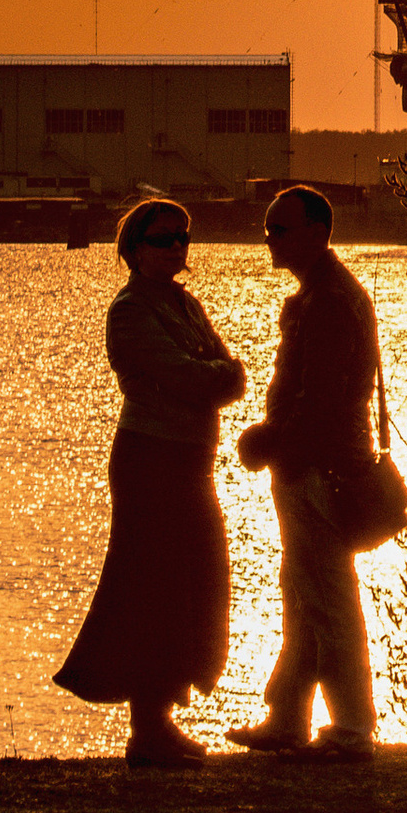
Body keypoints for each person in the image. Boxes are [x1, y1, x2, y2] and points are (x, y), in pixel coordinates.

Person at [53, 196, 246, 767]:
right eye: (163, 239)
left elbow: (227, 374)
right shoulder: (131, 309)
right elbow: (193, 375)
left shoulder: (184, 304)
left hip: (192, 460)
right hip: (150, 459)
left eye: (182, 238)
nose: (176, 248)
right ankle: (149, 726)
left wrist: (218, 375)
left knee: (195, 581)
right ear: (135, 248)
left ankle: (162, 714)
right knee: (150, 586)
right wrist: (217, 375)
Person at [226, 184, 382, 759]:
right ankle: (289, 720)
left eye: (280, 229)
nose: (271, 239)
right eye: (268, 229)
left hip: (320, 468)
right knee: (302, 593)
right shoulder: (326, 295)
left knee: (328, 596)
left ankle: (351, 726)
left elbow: (321, 399)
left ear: (316, 232)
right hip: (313, 465)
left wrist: (268, 439)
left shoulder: (330, 302)